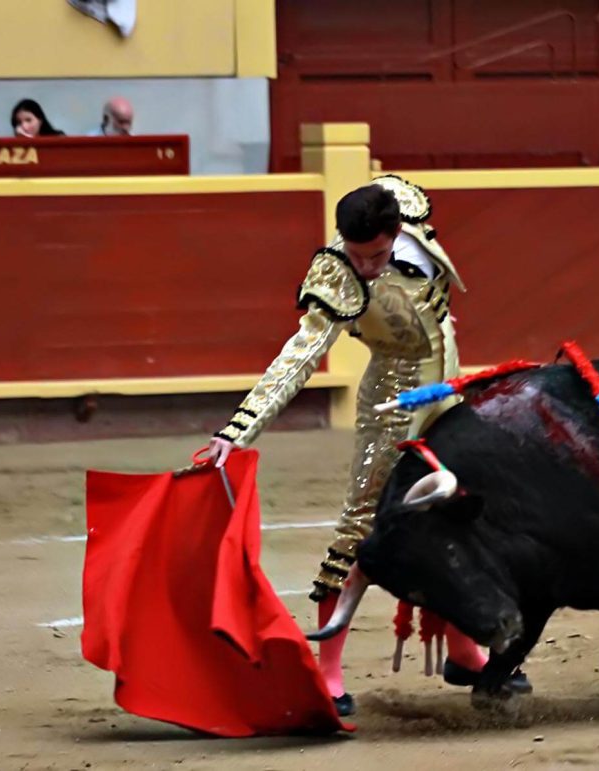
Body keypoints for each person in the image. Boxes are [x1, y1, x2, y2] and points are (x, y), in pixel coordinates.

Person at [207, 176, 530, 715]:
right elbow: (299, 355)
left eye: (376, 256)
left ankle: (463, 651)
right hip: (392, 405)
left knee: (457, 511)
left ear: (397, 231)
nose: (365, 268)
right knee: (362, 524)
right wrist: (236, 431)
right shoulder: (336, 273)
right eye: (356, 256)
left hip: (447, 392)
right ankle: (327, 670)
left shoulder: (403, 205)